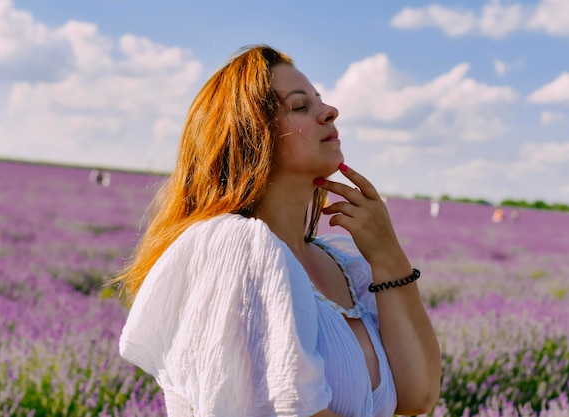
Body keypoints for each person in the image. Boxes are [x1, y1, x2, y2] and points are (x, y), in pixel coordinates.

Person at [116, 45, 442, 417]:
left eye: (319, 101)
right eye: (300, 106)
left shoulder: (345, 264)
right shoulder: (234, 247)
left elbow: (418, 396)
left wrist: (388, 257)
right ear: (251, 136)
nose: (330, 111)